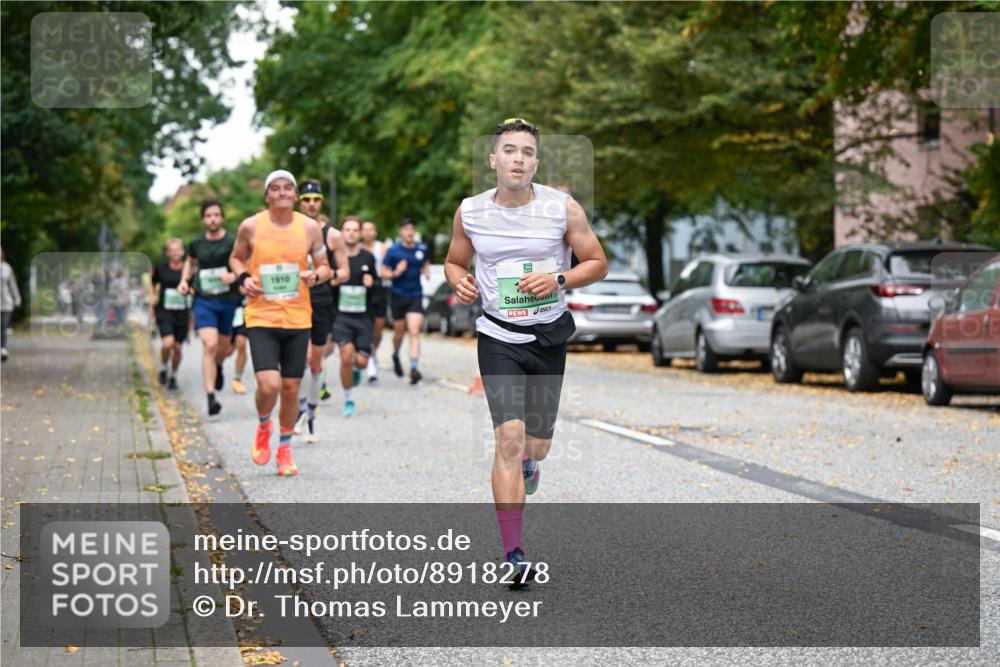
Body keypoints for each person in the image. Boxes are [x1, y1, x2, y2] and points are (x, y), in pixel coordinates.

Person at [444, 118, 607, 585]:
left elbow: (597, 262)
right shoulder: (470, 212)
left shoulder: (562, 209)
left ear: (536, 162)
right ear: (493, 159)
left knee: (536, 446)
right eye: (510, 150)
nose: (518, 158)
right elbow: (454, 261)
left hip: (548, 337)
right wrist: (460, 281)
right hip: (497, 337)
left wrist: (558, 279)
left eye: (527, 152)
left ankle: (531, 462)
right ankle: (513, 554)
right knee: (509, 440)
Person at [229, 170, 334, 477]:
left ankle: (285, 449)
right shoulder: (251, 226)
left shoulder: (310, 228)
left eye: (288, 187)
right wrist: (244, 278)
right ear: (267, 196)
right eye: (276, 188)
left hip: (298, 317)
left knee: (290, 387)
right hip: (261, 315)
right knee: (269, 384)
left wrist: (315, 275)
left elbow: (326, 267)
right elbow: (236, 258)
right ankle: (264, 425)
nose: (283, 192)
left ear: (295, 195)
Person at [294, 180, 348, 440]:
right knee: (301, 359)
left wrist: (323, 275)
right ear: (299, 202)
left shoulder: (333, 235)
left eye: (316, 200)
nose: (311, 204)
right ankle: (300, 409)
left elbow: (345, 272)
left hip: (321, 301)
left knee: (315, 362)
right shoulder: (290, 230)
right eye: (306, 200)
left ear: (322, 202)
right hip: (293, 301)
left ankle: (311, 412)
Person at [177, 200, 240, 416]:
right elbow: (190, 262)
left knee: (223, 348)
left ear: (222, 217)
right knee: (210, 344)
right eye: (208, 215)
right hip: (204, 299)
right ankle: (211, 396)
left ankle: (219, 366)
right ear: (203, 219)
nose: (212, 219)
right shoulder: (196, 243)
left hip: (227, 299)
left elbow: (243, 263)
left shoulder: (232, 241)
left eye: (216, 215)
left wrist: (233, 276)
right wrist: (184, 280)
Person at [331, 217, 378, 416]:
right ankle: (349, 399)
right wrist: (333, 281)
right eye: (347, 229)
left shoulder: (368, 257)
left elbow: (376, 284)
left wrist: (371, 283)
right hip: (341, 316)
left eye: (354, 230)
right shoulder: (334, 257)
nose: (350, 233)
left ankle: (357, 370)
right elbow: (327, 282)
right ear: (341, 232)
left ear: (360, 234)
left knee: (361, 362)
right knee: (346, 355)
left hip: (363, 317)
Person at [382, 218, 430, 384]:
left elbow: (425, 263)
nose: (409, 232)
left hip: (415, 295)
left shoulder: (422, 248)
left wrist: (426, 271)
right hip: (397, 295)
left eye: (412, 229)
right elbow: (384, 272)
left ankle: (414, 368)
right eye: (406, 229)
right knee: (399, 333)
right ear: (401, 232)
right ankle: (395, 354)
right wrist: (396, 272)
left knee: (414, 331)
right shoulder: (393, 251)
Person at [150, 239, 189, 389]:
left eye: (178, 250)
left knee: (178, 348)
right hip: (165, 311)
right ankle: (163, 367)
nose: (175, 253)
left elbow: (194, 286)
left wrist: (190, 291)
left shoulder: (187, 269)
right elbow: (153, 283)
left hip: (182, 312)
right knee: (168, 343)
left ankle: (173, 375)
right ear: (167, 253)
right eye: (171, 250)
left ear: (183, 251)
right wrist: (153, 296)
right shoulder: (161, 268)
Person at [361, 220, 389, 383]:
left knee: (378, 328)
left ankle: (373, 352)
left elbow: (387, 269)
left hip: (379, 289)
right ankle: (368, 358)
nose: (367, 233)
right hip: (361, 290)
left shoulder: (382, 248)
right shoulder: (356, 248)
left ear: (375, 232)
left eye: (370, 229)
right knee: (364, 326)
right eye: (364, 229)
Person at [1, 247, 22, 362]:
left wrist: (17, 299)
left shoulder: (6, 268)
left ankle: (3, 348)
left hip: (6, 303)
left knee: (4, 326)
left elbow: (12, 284)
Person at [230, 297, 249, 394]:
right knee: (227, 351)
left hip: (246, 311)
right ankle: (218, 366)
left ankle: (237, 379)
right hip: (229, 309)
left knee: (241, 344)